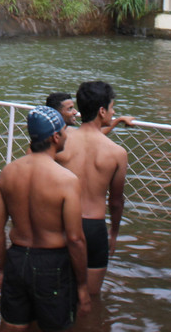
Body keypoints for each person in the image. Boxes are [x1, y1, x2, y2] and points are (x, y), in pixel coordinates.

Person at [0, 106, 91, 331]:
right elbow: (75, 239)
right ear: (55, 137)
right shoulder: (66, 180)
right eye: (64, 131)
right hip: (52, 263)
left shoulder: (8, 172)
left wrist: (2, 269)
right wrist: (83, 287)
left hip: (16, 257)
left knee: (12, 325)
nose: (66, 135)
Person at [55, 81, 129, 297]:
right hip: (94, 229)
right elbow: (116, 201)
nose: (114, 112)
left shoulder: (61, 142)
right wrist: (113, 233)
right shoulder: (117, 153)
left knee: (56, 293)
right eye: (112, 107)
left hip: (62, 223)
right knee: (90, 298)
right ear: (102, 111)